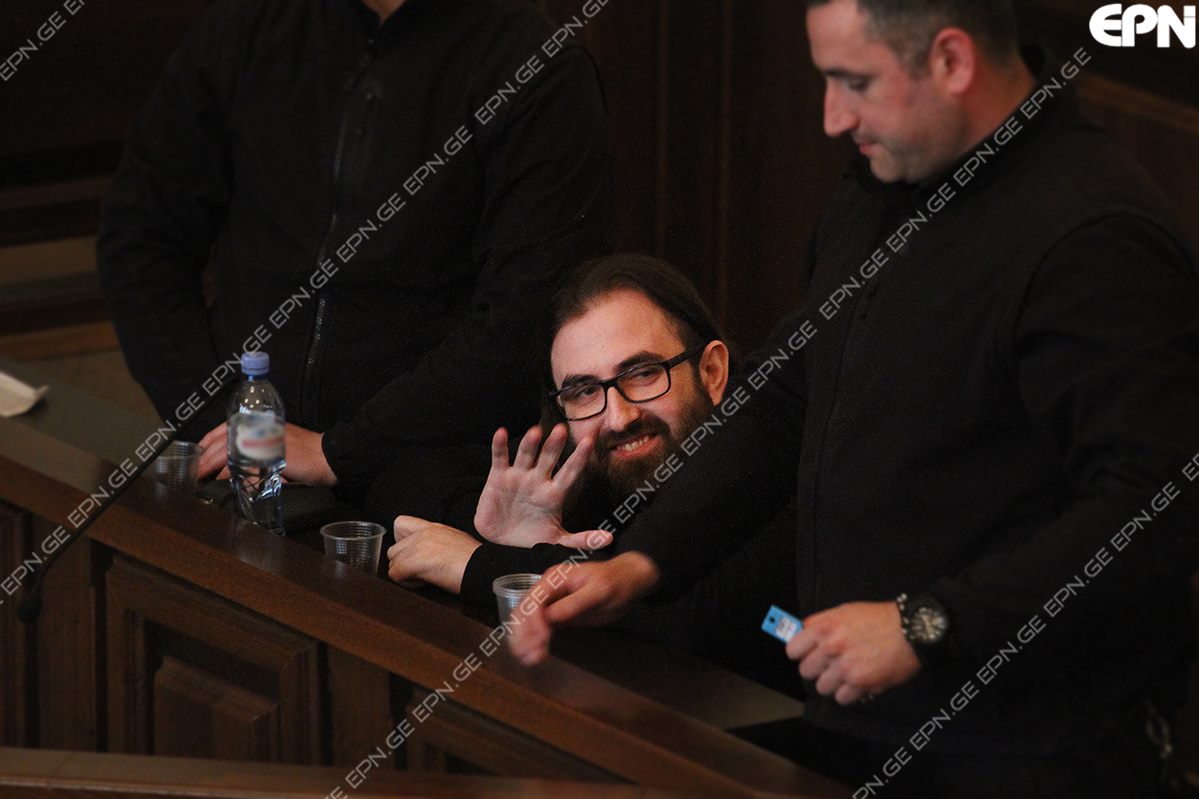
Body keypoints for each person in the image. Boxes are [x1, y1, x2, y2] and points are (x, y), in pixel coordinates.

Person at [509, 1, 1199, 795]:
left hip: (1031, 751)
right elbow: (788, 395)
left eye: (854, 82)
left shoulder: (1095, 235)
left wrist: (927, 623)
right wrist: (645, 560)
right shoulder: (879, 184)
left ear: (950, 60)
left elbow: (1154, 511)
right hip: (856, 723)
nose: (833, 117)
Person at [96, 0, 612, 498]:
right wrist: (226, 427)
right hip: (237, 470)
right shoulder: (244, 25)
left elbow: (527, 314)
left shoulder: (538, 64)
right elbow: (141, 236)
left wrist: (339, 453)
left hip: (435, 484)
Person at [376, 254, 798, 692]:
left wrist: (482, 566)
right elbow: (398, 479)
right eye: (584, 391)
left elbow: (693, 613)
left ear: (712, 372)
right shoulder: (579, 467)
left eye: (643, 373)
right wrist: (503, 531)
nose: (619, 417)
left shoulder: (778, 472)